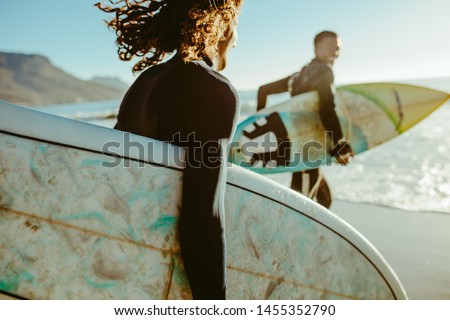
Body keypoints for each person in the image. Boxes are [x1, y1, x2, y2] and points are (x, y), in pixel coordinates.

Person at [96, 0, 243, 299]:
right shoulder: (214, 89)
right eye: (236, 25)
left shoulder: (145, 81)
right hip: (162, 280)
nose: (236, 36)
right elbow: (204, 214)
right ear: (222, 24)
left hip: (115, 267)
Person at [256, 31, 353, 208]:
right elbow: (326, 110)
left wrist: (260, 121)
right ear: (316, 48)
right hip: (308, 152)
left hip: (302, 145)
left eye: (338, 48)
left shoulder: (299, 75)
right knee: (300, 208)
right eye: (330, 47)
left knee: (325, 200)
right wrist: (339, 145)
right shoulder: (325, 71)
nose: (335, 52)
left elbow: (263, 91)